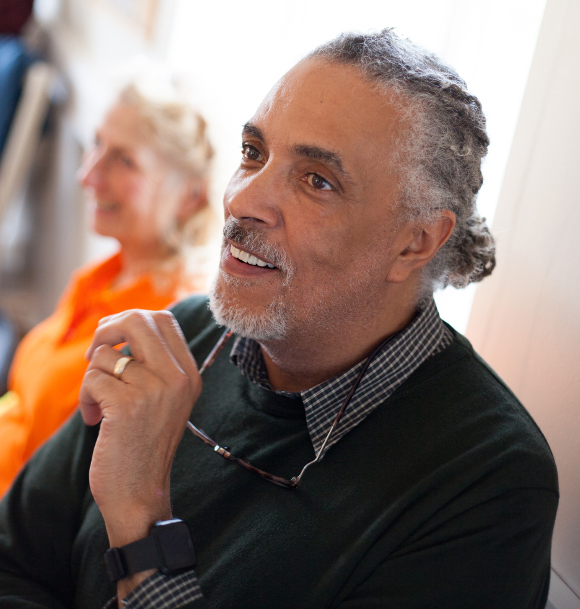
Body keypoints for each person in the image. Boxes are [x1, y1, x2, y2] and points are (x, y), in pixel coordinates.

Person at [0, 29, 558, 609]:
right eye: (253, 152)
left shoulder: (488, 482)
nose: (242, 200)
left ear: (415, 242)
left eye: (317, 181)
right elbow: (13, 562)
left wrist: (140, 519)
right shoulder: (186, 336)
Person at [0, 80, 214, 497]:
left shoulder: (164, 329)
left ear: (190, 196)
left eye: (125, 161)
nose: (87, 175)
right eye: (98, 144)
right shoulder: (102, 275)